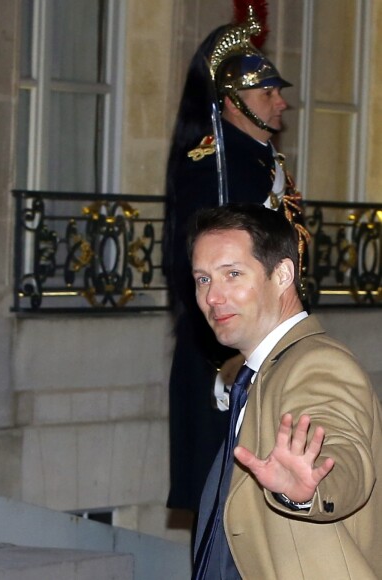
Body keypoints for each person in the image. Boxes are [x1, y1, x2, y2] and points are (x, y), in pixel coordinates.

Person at [189, 203, 382, 579]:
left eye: (232, 273)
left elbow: (342, 450)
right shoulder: (260, 371)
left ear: (282, 275)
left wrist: (309, 487)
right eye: (203, 279)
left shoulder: (317, 364)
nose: (213, 297)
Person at [163, 10, 305, 512]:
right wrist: (219, 357)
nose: (281, 102)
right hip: (227, 354)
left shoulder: (263, 162)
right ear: (231, 102)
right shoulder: (212, 166)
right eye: (267, 93)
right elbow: (192, 272)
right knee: (225, 507)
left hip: (275, 345)